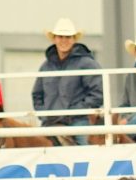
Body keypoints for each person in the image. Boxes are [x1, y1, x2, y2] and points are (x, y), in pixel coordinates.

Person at [32, 17, 103, 146]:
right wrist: (45, 114)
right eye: (60, 37)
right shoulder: (46, 66)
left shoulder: (86, 64)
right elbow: (37, 95)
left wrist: (75, 111)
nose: (64, 40)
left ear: (74, 39)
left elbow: (97, 94)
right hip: (50, 122)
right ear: (54, 39)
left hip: (78, 120)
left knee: (85, 153)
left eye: (68, 37)